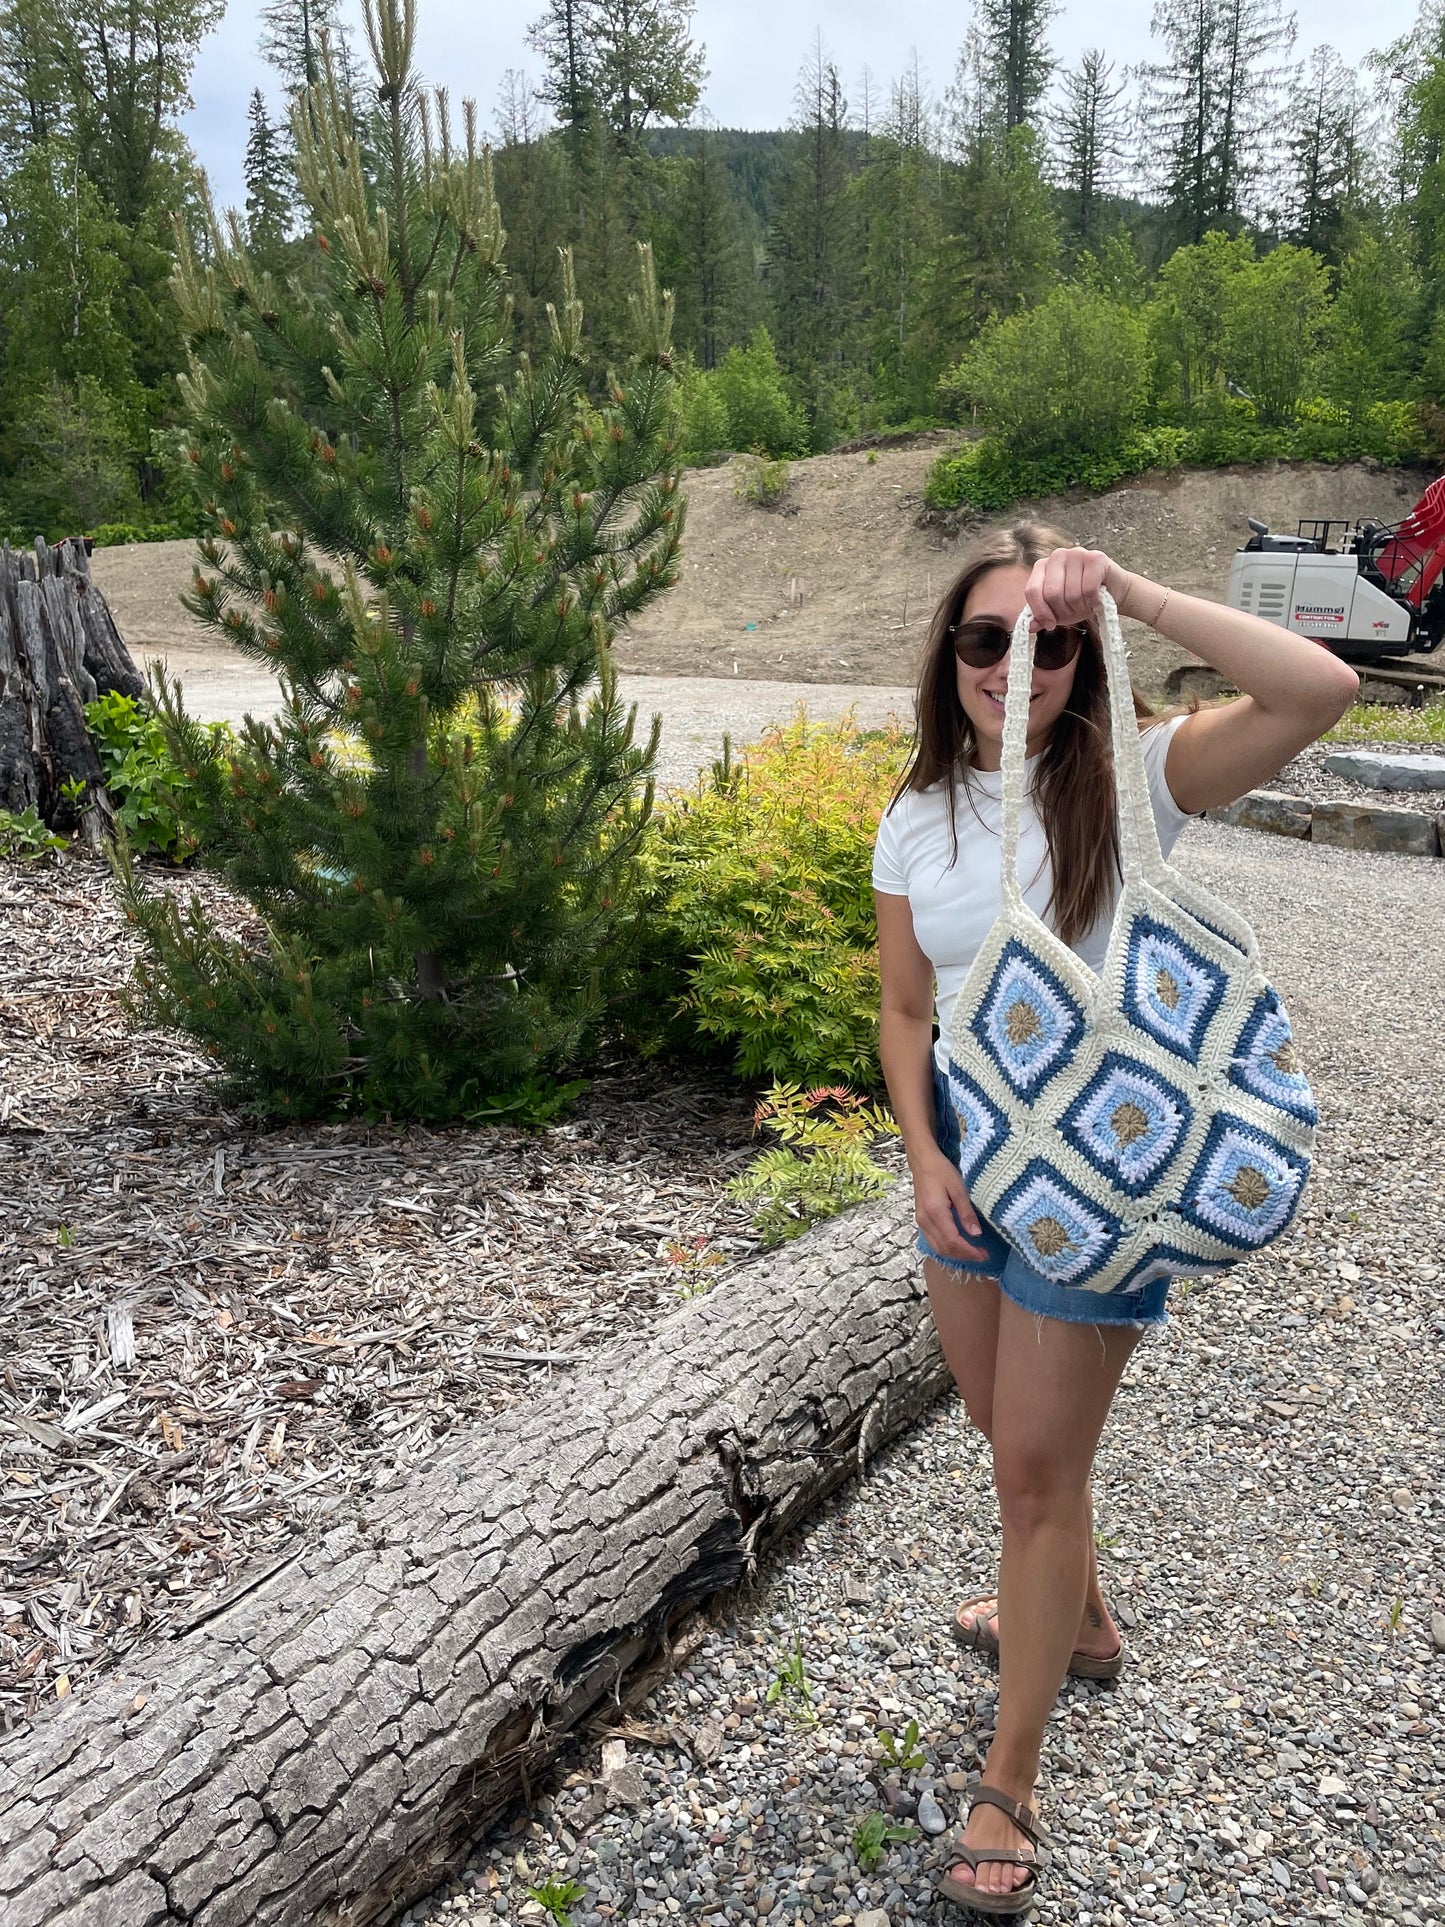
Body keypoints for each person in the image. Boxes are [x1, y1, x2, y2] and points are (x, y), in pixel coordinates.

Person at [872, 523, 1358, 1915]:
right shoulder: (915, 812)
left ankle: (1007, 1778)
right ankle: (1077, 1618)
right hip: (970, 1156)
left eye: (1046, 638)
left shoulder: (1136, 779)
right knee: (1001, 1430)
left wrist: (1131, 592)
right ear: (948, 656)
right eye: (985, 637)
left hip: (1105, 1173)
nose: (1012, 662)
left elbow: (1317, 689)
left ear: (1081, 660)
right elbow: (906, 1011)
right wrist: (922, 1157)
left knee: (1030, 1474)